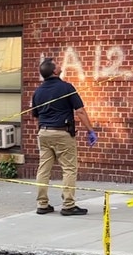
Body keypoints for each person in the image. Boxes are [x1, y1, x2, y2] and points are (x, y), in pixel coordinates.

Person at [31, 58, 98, 216]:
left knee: (43, 169)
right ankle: (68, 205)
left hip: (44, 132)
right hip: (62, 133)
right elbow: (80, 111)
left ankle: (42, 204)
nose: (61, 65)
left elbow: (36, 116)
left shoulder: (38, 92)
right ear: (54, 71)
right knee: (69, 169)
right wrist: (90, 130)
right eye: (58, 64)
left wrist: (41, 133)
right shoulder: (66, 87)